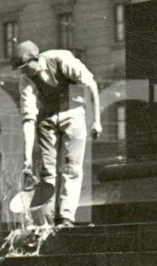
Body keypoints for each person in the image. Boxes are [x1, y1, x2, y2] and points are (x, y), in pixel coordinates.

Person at [12, 40, 102, 227]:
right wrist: (27, 157)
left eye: (25, 67)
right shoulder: (26, 79)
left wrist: (97, 120)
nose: (24, 72)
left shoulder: (61, 59)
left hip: (73, 111)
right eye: (20, 69)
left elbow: (91, 84)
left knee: (72, 167)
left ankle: (66, 217)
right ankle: (48, 217)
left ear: (35, 59)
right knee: (48, 171)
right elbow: (28, 118)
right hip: (47, 117)